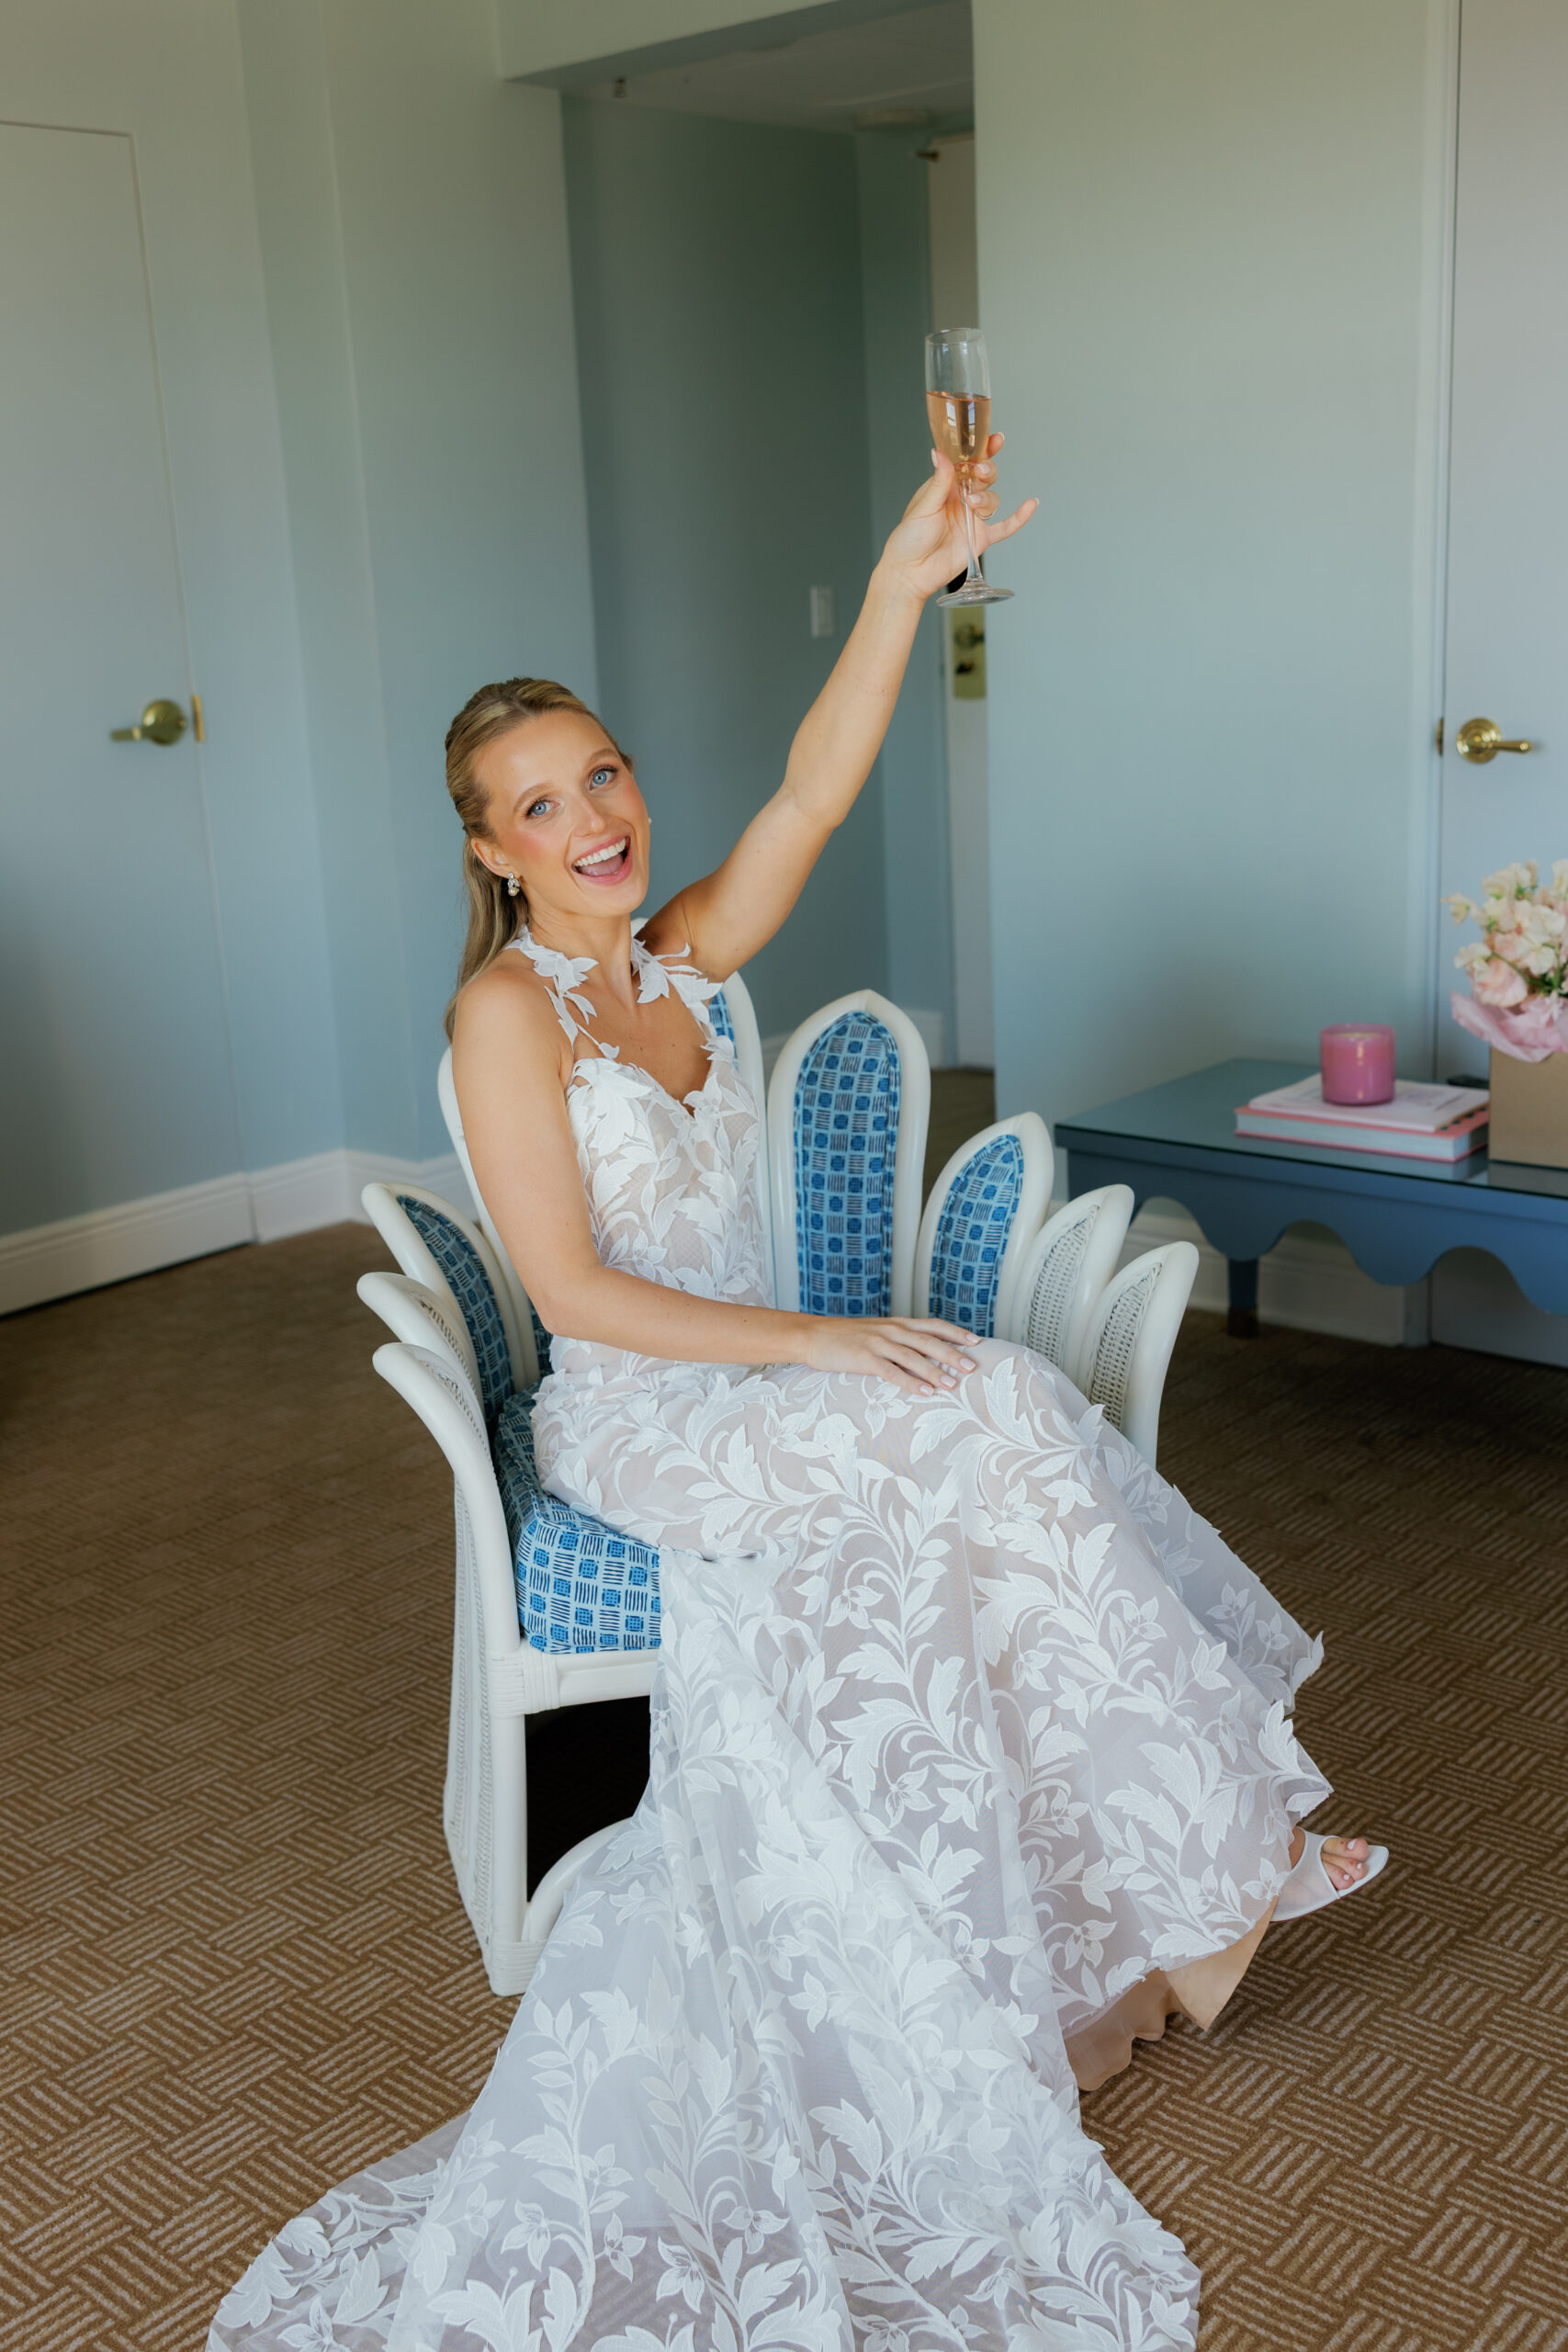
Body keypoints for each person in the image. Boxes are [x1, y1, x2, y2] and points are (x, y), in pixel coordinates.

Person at [210, 445, 1386, 2352]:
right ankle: (1207, 1854)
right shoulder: (504, 1014)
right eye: (538, 800)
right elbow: (575, 1287)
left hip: (756, 1386)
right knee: (985, 1406)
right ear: (489, 850)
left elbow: (813, 788)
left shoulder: (680, 953)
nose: (588, 812)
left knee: (986, 1427)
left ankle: (1141, 1898)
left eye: (599, 772)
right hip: (647, 1401)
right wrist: (823, 1342)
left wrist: (904, 584)